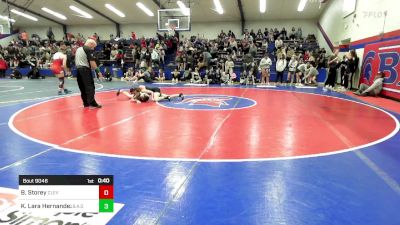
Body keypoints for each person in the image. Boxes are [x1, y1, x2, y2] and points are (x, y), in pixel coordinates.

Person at [75, 39, 103, 108]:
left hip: (78, 70)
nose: (93, 48)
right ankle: (92, 103)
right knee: (90, 87)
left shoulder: (78, 49)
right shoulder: (88, 49)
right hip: (85, 70)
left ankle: (86, 103)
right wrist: (98, 71)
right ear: (90, 44)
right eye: (93, 47)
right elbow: (92, 62)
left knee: (82, 87)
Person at [116, 85, 183, 103]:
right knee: (168, 96)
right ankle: (179, 95)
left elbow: (151, 92)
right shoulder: (137, 92)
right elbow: (129, 95)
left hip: (155, 90)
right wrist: (121, 91)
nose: (133, 94)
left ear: (135, 91)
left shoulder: (142, 90)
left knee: (156, 99)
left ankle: (166, 98)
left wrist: (153, 98)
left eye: (133, 92)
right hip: (155, 91)